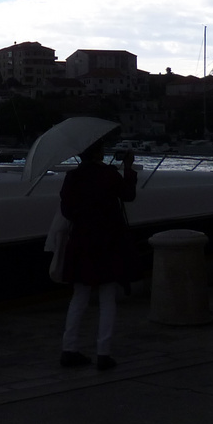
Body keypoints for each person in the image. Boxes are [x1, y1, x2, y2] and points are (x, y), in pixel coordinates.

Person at [59, 138, 142, 371]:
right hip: (108, 242)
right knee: (107, 298)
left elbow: (67, 211)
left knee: (79, 297)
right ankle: (103, 353)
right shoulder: (108, 175)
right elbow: (128, 195)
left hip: (82, 242)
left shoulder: (72, 177)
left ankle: (69, 348)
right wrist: (128, 167)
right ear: (98, 153)